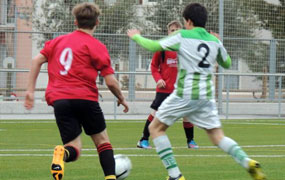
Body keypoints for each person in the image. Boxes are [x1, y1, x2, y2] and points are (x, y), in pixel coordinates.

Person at [127, 3, 266, 180]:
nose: (184, 25)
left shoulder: (183, 35)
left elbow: (154, 46)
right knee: (217, 136)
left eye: (185, 22)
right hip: (206, 96)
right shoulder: (214, 40)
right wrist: (218, 43)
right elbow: (227, 63)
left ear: (189, 21)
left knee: (155, 128)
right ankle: (247, 162)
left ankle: (175, 175)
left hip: (184, 93)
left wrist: (137, 37)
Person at [24, 2, 128, 180]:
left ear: (75, 22)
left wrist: (30, 91)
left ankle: (62, 154)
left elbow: (36, 61)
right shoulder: (96, 46)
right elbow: (110, 81)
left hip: (60, 101)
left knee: (74, 147)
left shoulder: (57, 42)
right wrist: (121, 97)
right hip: (85, 98)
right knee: (102, 141)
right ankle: (110, 177)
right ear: (97, 22)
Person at [137, 20, 198, 149]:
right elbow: (153, 66)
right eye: (172, 30)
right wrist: (158, 79)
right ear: (168, 32)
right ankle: (143, 140)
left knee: (187, 115)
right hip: (164, 89)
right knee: (155, 114)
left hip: (181, 89)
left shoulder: (184, 49)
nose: (175, 32)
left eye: (177, 30)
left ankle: (191, 141)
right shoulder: (162, 48)